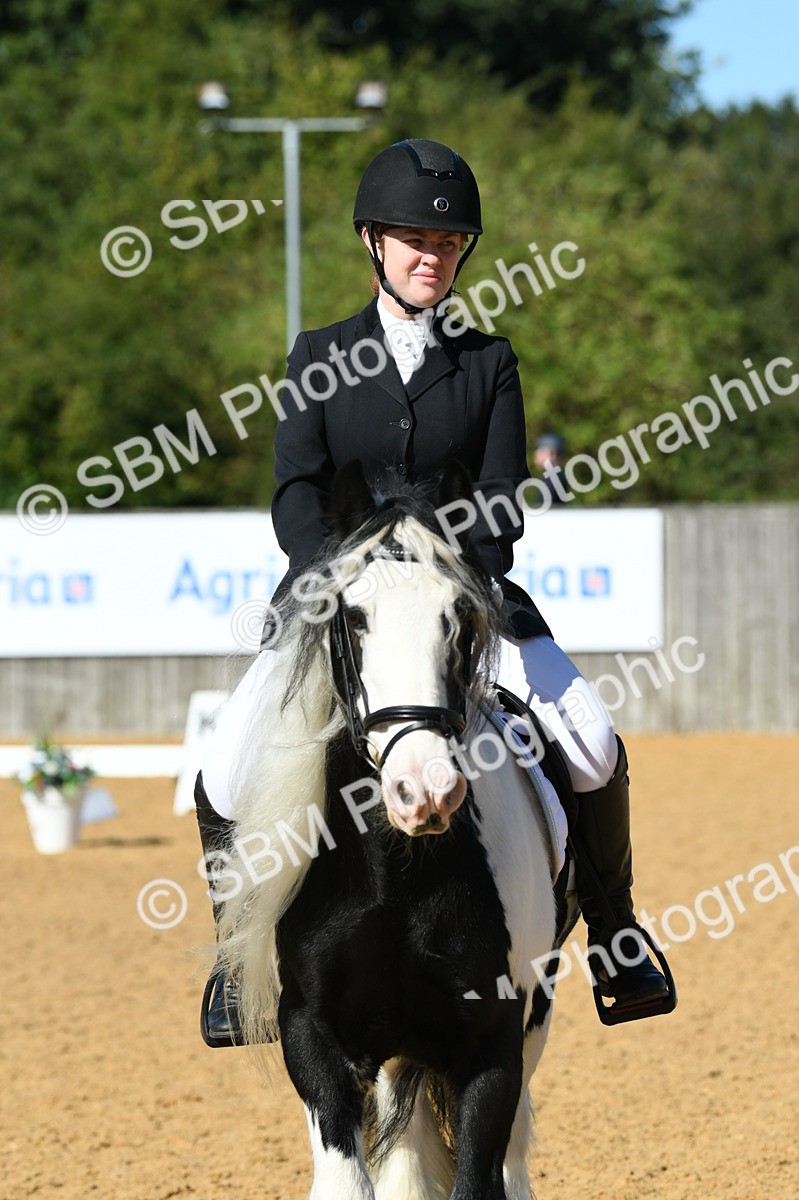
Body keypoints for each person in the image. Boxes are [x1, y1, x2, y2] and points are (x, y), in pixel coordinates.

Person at [195, 138, 669, 1046]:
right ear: (373, 243)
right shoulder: (319, 354)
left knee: (594, 742)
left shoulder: (488, 361)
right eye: (414, 240)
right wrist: (339, 574)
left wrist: (447, 571)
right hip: (338, 605)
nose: (431, 258)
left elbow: (498, 502)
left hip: (462, 599)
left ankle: (614, 931)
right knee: (223, 762)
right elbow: (297, 489)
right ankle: (230, 959)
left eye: (448, 246)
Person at [533, 431, 568, 505]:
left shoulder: (553, 478)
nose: (536, 454)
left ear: (553, 454)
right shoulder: (556, 476)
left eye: (541, 451)